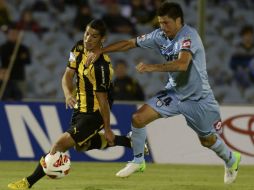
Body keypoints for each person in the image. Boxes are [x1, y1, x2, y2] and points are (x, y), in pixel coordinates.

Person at [87, 2, 241, 184]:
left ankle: (231, 159)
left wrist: (152, 67)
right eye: (160, 23)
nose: (162, 27)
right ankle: (138, 161)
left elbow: (182, 64)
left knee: (207, 140)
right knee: (138, 118)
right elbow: (129, 43)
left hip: (198, 98)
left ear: (178, 21)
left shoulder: (189, 36)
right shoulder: (159, 36)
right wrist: (101, 51)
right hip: (174, 93)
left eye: (166, 23)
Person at [7, 19, 141, 190]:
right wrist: (68, 94)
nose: (88, 39)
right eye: (86, 33)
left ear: (102, 40)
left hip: (95, 113)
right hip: (80, 108)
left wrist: (107, 128)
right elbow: (67, 76)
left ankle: (27, 182)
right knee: (81, 145)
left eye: (93, 36)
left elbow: (103, 101)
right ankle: (130, 142)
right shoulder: (78, 48)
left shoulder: (101, 67)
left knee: (59, 145)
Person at [0, 24, 31, 100]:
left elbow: (27, 61)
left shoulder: (23, 48)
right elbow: (5, 58)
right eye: (11, 34)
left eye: (15, 34)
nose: (14, 35)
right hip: (6, 78)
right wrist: (19, 57)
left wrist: (15, 58)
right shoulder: (3, 47)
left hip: (19, 77)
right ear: (8, 35)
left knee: (19, 98)